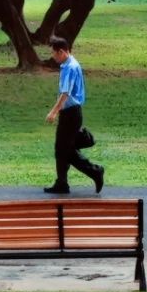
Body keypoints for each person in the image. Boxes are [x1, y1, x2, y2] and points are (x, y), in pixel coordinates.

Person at [43, 35, 104, 196]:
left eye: (54, 54)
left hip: (70, 114)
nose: (53, 57)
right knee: (62, 149)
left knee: (64, 150)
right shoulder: (71, 64)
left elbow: (65, 93)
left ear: (62, 52)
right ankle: (62, 182)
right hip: (71, 113)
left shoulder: (69, 68)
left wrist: (53, 112)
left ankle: (95, 171)